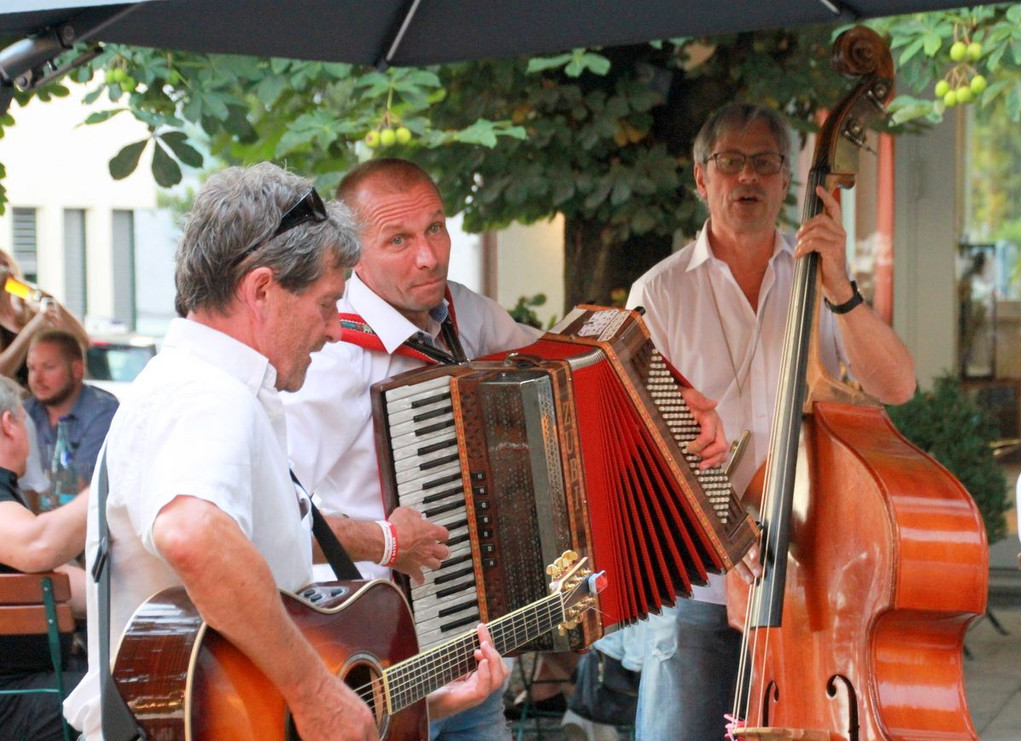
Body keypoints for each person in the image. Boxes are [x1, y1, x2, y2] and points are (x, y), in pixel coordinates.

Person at [283, 157, 730, 740]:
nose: (429, 256)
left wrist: (674, 394)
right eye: (399, 240)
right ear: (352, 255)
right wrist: (387, 540)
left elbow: (573, 365)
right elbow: (278, 525)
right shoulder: (330, 358)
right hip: (380, 664)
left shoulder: (464, 314)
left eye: (435, 228)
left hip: (475, 656)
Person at [62, 162, 507, 740]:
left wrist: (417, 702)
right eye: (326, 304)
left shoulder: (211, 387)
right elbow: (191, 533)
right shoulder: (206, 395)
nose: (336, 330)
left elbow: (251, 683)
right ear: (261, 291)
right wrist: (315, 692)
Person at [624, 102, 916, 741]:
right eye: (730, 162)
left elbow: (896, 385)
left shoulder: (820, 277)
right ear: (701, 178)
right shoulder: (659, 294)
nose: (747, 177)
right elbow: (649, 451)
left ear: (787, 180)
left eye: (764, 163)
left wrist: (841, 288)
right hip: (700, 585)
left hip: (812, 582)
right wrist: (727, 537)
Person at [0, 375, 89, 741]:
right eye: (25, 420)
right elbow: (36, 545)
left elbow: (68, 583)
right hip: (16, 696)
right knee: (131, 700)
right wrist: (113, 479)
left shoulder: (9, 494)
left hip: (26, 688)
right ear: (9, 424)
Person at [25, 329, 119, 487]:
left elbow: (80, 485)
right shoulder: (24, 413)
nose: (37, 378)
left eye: (49, 367)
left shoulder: (103, 411)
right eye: (31, 368)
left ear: (77, 370)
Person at [0, 248, 89, 386]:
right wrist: (32, 329)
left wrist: (43, 296)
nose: (5, 273)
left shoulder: (30, 312)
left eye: (6, 265)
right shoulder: (35, 321)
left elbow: (82, 340)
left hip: (45, 397)